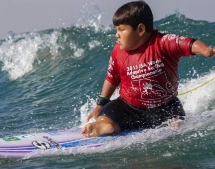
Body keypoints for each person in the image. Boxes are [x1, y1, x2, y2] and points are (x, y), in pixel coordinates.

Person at [81, 1, 215, 137]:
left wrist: (206, 50)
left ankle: (175, 125)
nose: (117, 34)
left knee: (177, 121)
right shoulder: (118, 51)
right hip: (129, 107)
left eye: (121, 29)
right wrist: (100, 105)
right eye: (116, 30)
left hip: (165, 107)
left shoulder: (163, 43)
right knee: (107, 113)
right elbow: (111, 78)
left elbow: (188, 43)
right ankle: (105, 125)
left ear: (140, 30)